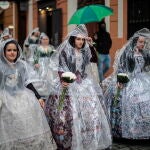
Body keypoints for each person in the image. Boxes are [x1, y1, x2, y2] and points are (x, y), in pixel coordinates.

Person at [44, 25, 112, 150]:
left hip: (82, 82)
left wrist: (91, 46)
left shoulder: (85, 50)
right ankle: (68, 136)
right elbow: (61, 67)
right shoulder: (66, 50)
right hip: (68, 82)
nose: (80, 42)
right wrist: (64, 79)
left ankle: (87, 137)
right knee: (69, 110)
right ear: (73, 39)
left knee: (89, 109)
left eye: (82, 39)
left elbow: (94, 60)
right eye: (78, 39)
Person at [0, 38, 56, 149]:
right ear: (3, 52)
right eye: (9, 50)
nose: (12, 53)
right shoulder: (1, 66)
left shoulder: (22, 65)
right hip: (5, 97)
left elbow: (28, 82)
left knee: (28, 116)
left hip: (22, 95)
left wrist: (38, 97)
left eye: (14, 50)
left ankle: (28, 143)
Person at [103, 28, 150, 139]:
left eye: (144, 42)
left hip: (142, 80)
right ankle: (127, 129)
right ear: (135, 41)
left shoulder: (144, 54)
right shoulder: (127, 54)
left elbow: (145, 67)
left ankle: (143, 128)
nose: (142, 44)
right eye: (140, 42)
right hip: (129, 81)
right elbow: (121, 68)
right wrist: (121, 80)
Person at [33, 32, 56, 99]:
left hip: (49, 63)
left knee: (49, 76)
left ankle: (49, 91)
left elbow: (54, 55)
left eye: (47, 39)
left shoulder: (51, 47)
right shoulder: (38, 48)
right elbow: (35, 56)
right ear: (41, 40)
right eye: (44, 39)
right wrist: (36, 62)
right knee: (42, 76)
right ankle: (41, 91)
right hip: (41, 64)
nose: (45, 41)